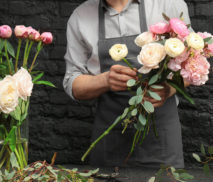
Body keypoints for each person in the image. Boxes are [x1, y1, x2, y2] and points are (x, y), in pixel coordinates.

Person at [63, 0, 192, 168]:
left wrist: (168, 89)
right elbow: (72, 83)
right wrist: (105, 80)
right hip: (109, 140)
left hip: (162, 141)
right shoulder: (80, 16)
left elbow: (192, 67)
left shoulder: (168, 5)